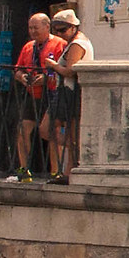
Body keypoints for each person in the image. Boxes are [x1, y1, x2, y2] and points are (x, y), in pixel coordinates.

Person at [12, 12, 62, 181]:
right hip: (32, 94)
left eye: (36, 28)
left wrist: (46, 78)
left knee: (51, 132)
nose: (32, 31)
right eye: (30, 28)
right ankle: (24, 170)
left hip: (51, 93)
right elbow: (17, 69)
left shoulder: (59, 44)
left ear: (47, 27)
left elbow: (63, 69)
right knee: (22, 130)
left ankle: (56, 171)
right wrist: (22, 77)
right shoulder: (28, 46)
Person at [46, 9, 92, 182]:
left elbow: (70, 71)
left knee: (62, 131)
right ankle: (70, 165)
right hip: (66, 91)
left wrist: (52, 65)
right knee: (51, 129)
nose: (59, 34)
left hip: (70, 92)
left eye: (63, 30)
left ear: (73, 27)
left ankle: (70, 168)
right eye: (56, 30)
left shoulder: (77, 45)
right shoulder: (76, 42)